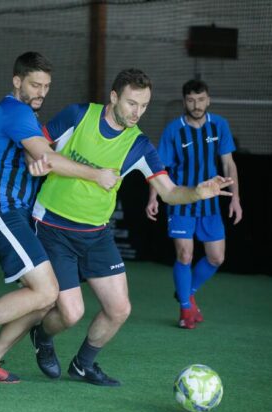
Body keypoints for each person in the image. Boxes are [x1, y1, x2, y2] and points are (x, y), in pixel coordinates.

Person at [24, 69, 233, 386]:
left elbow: (169, 192)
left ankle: (83, 364)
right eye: (132, 103)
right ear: (113, 97)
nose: (138, 112)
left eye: (144, 105)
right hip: (53, 225)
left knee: (119, 308)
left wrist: (199, 192)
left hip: (97, 233)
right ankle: (41, 334)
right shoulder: (78, 115)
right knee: (70, 313)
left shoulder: (139, 145)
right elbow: (35, 143)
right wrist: (35, 160)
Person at [0, 52, 120, 383]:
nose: (41, 92)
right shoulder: (15, 111)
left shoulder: (26, 118)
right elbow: (49, 157)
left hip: (18, 215)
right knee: (45, 292)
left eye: (47, 86)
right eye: (35, 84)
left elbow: (37, 158)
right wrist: (95, 174)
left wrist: (37, 165)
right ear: (16, 80)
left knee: (41, 301)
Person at [145, 79, 242, 329]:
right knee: (185, 255)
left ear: (208, 99)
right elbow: (160, 168)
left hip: (210, 204)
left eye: (201, 100)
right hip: (181, 200)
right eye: (191, 100)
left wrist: (236, 199)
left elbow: (228, 164)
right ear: (184, 101)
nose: (196, 105)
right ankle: (186, 310)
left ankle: (186, 292)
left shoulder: (219, 125)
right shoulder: (173, 130)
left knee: (216, 258)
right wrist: (153, 198)